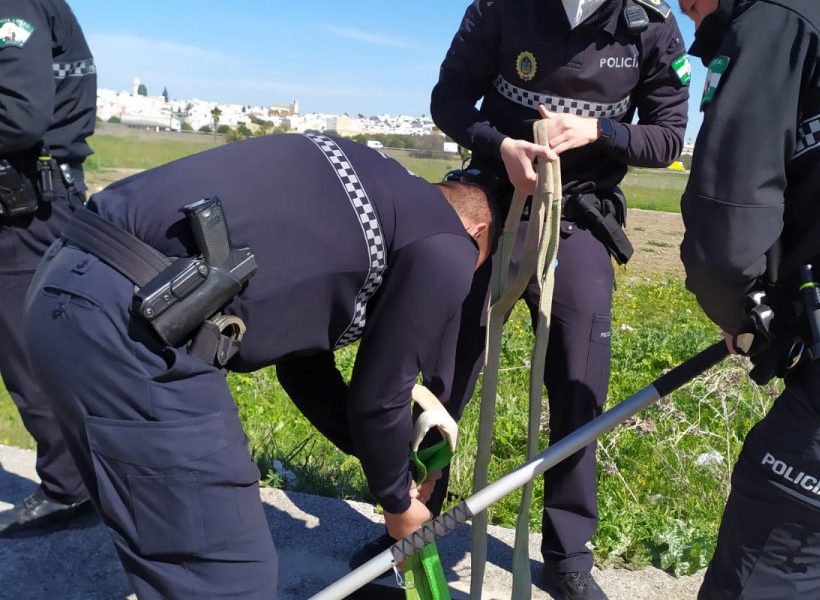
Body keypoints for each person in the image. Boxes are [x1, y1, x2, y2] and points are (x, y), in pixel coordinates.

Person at [21, 133, 496, 599]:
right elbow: (381, 393)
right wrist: (398, 503)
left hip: (64, 289)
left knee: (169, 553)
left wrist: (393, 466)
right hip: (131, 326)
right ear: (478, 233)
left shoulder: (372, 185)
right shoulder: (448, 240)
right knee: (227, 577)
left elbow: (302, 368)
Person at [386, 1, 688, 598]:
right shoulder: (500, 7)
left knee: (580, 382)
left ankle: (569, 554)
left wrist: (604, 132)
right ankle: (410, 528)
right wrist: (500, 146)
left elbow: (669, 136)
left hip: (578, 214)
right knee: (444, 373)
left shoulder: (651, 25)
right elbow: (447, 103)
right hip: (491, 201)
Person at [678, 0, 820, 598]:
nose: (684, 11)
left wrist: (745, 316)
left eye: (692, 4)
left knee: (768, 571)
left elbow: (725, 234)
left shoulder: (778, 18)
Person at [0, 0, 96, 537]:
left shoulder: (13, 5)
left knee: (29, 355)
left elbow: (18, 114)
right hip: (34, 204)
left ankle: (69, 490)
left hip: (26, 213)